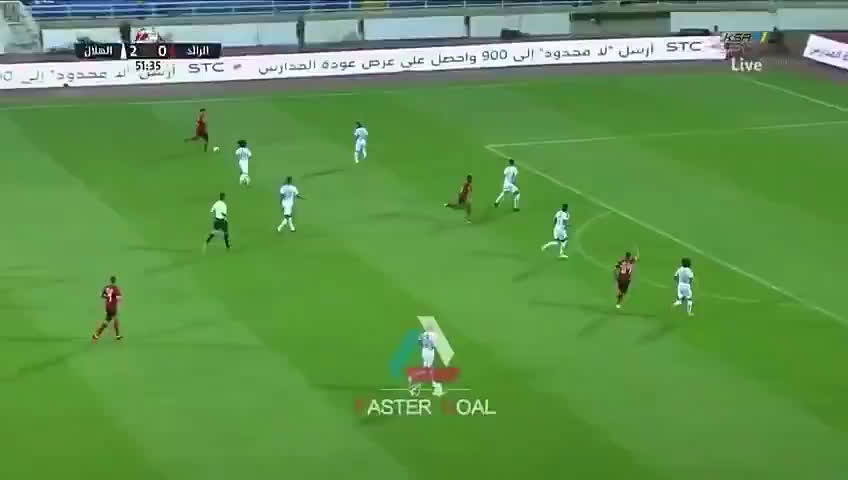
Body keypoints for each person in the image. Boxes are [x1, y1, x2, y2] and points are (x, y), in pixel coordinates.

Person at [92, 276, 122, 342]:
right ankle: (117, 336)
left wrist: (107, 297)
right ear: (115, 281)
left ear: (110, 280)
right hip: (113, 307)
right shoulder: (115, 288)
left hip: (107, 306)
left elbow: (101, 295)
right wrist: (118, 305)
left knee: (107, 320)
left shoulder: (106, 287)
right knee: (115, 319)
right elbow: (119, 297)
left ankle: (96, 335)